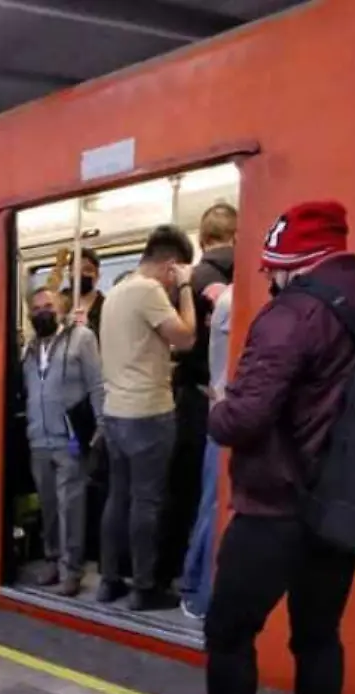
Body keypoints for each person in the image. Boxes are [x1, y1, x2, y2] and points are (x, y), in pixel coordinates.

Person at [167, 201, 355, 694]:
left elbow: (245, 419)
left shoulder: (292, 314)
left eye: (271, 270)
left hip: (276, 505)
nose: (270, 281)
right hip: (344, 509)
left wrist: (218, 402)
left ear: (290, 261)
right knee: (317, 635)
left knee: (229, 630)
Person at [96, 224, 196, 610]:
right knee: (147, 503)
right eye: (179, 272)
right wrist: (186, 289)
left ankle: (108, 581)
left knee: (117, 499)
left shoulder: (116, 292)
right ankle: (144, 587)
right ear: (171, 265)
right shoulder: (149, 290)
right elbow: (185, 338)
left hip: (115, 413)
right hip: (148, 414)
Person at [159, 205, 238, 593]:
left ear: (203, 239)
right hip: (232, 400)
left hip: (192, 397)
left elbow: (177, 344)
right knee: (216, 493)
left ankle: (178, 572)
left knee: (183, 490)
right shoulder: (253, 278)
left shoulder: (190, 281)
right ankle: (208, 571)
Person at [20, 286, 104, 597]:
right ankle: (52, 559)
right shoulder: (28, 350)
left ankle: (72, 570)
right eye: (37, 307)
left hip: (69, 439)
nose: (42, 311)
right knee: (49, 507)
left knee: (72, 507)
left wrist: (101, 427)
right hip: (38, 439)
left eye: (48, 305)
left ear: (60, 308)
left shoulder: (81, 339)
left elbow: (96, 384)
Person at [180, 289, 235, 620]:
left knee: (211, 504)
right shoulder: (232, 300)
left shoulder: (225, 299)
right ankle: (197, 592)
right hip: (227, 415)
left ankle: (195, 589)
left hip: (221, 412)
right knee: (214, 505)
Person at [65, 247, 106, 337]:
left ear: (97, 275)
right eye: (75, 270)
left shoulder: (106, 307)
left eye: (87, 270)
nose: (81, 274)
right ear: (69, 275)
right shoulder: (63, 307)